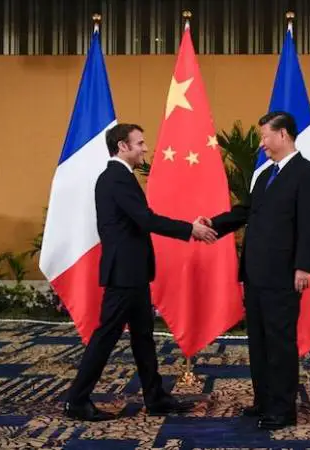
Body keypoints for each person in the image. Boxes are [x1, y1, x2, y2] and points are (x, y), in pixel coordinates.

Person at [63, 123, 217, 422]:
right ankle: (76, 400)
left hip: (132, 273)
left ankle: (155, 397)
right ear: (122, 146)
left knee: (143, 337)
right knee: (106, 336)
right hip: (124, 274)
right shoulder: (115, 178)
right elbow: (146, 220)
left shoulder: (120, 177)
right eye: (140, 143)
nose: (146, 148)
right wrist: (191, 230)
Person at [203, 111, 310, 430]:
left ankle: (282, 409)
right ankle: (263, 401)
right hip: (256, 273)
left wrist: (304, 266)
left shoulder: (308, 174)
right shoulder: (264, 176)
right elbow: (247, 212)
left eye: (265, 137)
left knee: (280, 343)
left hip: (285, 274)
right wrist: (213, 224)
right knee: (258, 342)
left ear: (283, 135)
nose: (262, 144)